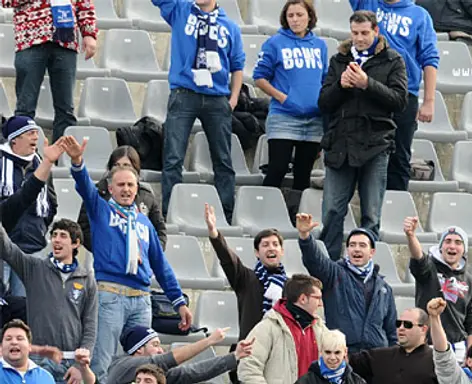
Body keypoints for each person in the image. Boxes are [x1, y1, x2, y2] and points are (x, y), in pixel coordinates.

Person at [63, 136, 193, 382]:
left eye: (130, 185)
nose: (126, 190)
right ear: (110, 188)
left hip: (142, 299)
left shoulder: (144, 223)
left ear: (137, 188)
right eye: (120, 185)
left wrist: (179, 302)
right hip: (110, 297)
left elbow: (161, 265)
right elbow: (85, 188)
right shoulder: (101, 211)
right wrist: (78, 161)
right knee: (101, 363)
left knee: (142, 368)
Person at [317, 10, 408, 260]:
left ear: (376, 31)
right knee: (332, 211)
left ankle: (364, 269)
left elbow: (400, 101)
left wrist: (367, 83)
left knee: (371, 214)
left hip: (376, 144)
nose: (359, 38)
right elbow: (324, 103)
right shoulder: (339, 60)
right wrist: (341, 87)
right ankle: (329, 267)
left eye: (365, 33)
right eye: (355, 33)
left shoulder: (393, 60)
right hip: (341, 145)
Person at [152, 0, 245, 223]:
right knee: (173, 156)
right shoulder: (180, 10)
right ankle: (170, 212)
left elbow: (237, 65)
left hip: (217, 97)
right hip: (184, 93)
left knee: (223, 159)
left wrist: (232, 99)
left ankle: (225, 214)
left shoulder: (230, 26)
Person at [349, 0, 439, 192]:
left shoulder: (420, 15)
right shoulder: (367, 3)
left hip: (404, 93)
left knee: (399, 157)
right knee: (363, 153)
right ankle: (368, 216)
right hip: (368, 91)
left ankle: (394, 212)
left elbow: (430, 58)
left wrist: (429, 101)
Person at [0, 217, 97, 384]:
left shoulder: (87, 279)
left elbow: (90, 325)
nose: (56, 240)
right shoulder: (34, 268)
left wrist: (79, 366)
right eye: (54, 235)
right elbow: (8, 249)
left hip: (70, 365)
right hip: (38, 360)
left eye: (63, 236)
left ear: (76, 244)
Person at [253, 0, 328, 204]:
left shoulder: (320, 46)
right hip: (284, 117)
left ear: (309, 17)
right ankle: (265, 211)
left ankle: (296, 217)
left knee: (303, 175)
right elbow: (259, 77)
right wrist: (283, 98)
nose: (295, 20)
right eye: (290, 16)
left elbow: (324, 79)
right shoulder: (274, 43)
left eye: (299, 15)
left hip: (313, 120)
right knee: (277, 168)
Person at [204, 203, 287, 382]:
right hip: (249, 351)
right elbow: (227, 258)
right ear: (257, 253)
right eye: (265, 245)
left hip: (279, 353)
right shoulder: (246, 278)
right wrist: (214, 233)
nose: (271, 248)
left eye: (275, 244)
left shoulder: (290, 286)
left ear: (282, 251)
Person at [297, 213, 398, 352]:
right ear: (347, 250)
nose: (356, 249)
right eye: (352, 245)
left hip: (378, 356)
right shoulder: (335, 274)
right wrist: (305, 237)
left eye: (362, 245)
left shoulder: (384, 288)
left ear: (372, 252)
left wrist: (395, 357)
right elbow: (315, 262)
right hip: (343, 353)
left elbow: (392, 330)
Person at [0, 0, 97, 143]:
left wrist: (89, 33)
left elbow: (85, 3)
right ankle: (21, 158)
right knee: (25, 107)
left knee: (66, 110)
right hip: (30, 40)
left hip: (66, 41)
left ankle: (62, 157)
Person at [0, 116, 58, 298]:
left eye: (36, 133)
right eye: (30, 133)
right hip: (3, 248)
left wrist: (38, 229)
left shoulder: (41, 164)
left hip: (32, 249)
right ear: (14, 139)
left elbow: (51, 205)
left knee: (25, 312)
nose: (35, 137)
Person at [405, 219, 472, 362]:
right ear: (441, 247)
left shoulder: (468, 281)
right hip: (428, 346)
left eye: (458, 242)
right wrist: (411, 236)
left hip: (458, 351)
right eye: (448, 241)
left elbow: (471, 322)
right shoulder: (429, 269)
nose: (452, 246)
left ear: (464, 249)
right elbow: (418, 258)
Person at [237, 274, 329, 384]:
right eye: (318, 298)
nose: (321, 304)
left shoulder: (320, 328)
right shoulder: (267, 328)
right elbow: (248, 368)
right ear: (303, 299)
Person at [77, 146, 167, 252]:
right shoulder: (97, 193)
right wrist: (104, 249)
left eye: (126, 165)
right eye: (116, 165)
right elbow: (84, 226)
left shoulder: (146, 195)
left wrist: (150, 254)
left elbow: (160, 231)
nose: (121, 169)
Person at [106, 325, 254, 384]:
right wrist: (209, 341)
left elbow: (192, 372)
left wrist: (235, 356)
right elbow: (169, 359)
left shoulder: (153, 372)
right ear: (138, 349)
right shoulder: (124, 365)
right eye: (155, 345)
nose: (161, 350)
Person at [348, 308, 437, 384]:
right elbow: (343, 360)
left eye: (407, 325)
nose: (401, 328)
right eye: (398, 324)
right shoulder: (379, 356)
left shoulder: (435, 361)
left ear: (423, 329)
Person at [295, 329, 366, 384]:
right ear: (321, 351)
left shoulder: (357, 381)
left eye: (337, 352)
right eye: (328, 352)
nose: (332, 357)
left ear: (345, 352)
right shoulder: (306, 381)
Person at [0, 319, 56, 383]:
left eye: (19, 338)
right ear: (1, 346)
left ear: (29, 346)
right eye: (8, 339)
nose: (14, 342)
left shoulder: (46, 378)